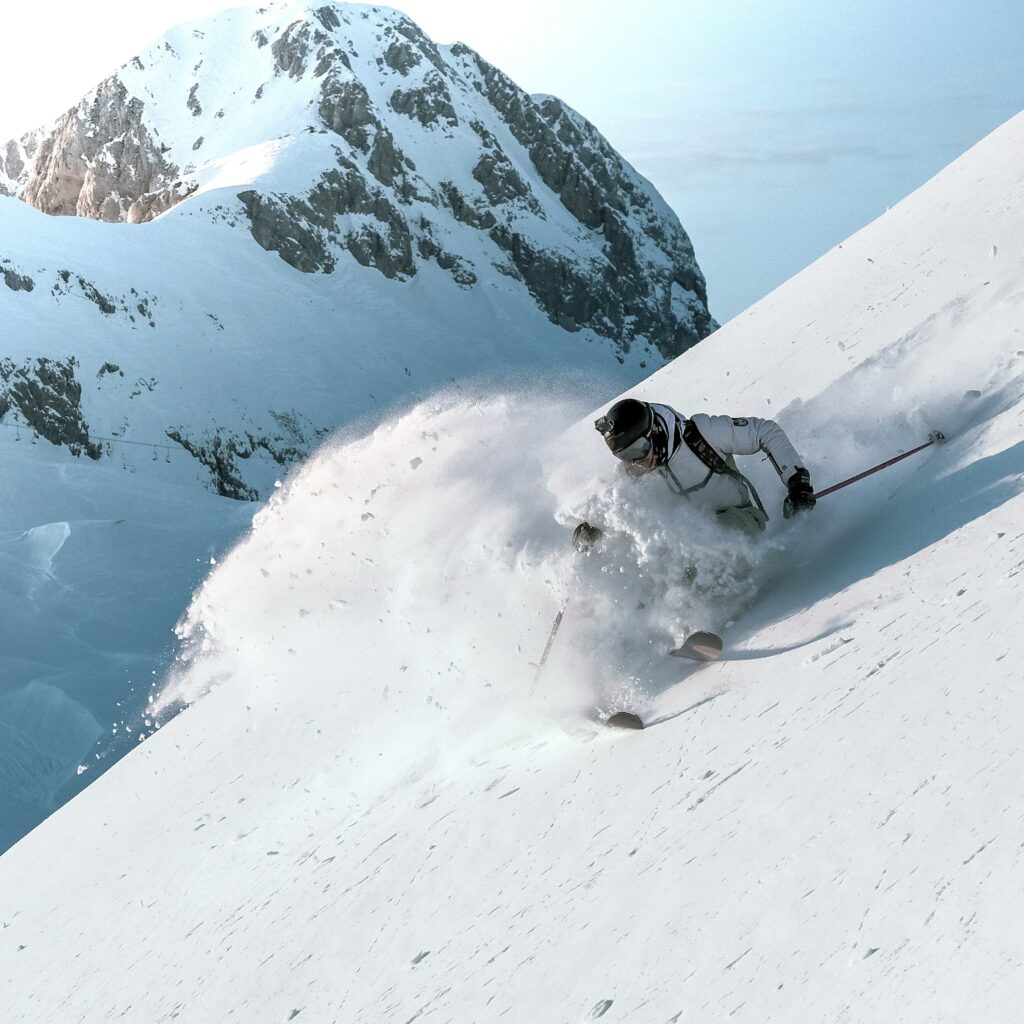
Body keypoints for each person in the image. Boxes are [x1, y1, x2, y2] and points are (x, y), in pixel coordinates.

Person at [575, 398, 815, 547]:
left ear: (656, 432)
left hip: (740, 521)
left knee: (706, 547)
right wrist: (594, 528)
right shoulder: (636, 467)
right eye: (626, 455)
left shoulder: (702, 433)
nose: (637, 460)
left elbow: (765, 431)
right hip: (689, 540)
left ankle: (705, 620)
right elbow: (620, 507)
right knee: (665, 558)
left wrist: (797, 481)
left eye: (640, 448)